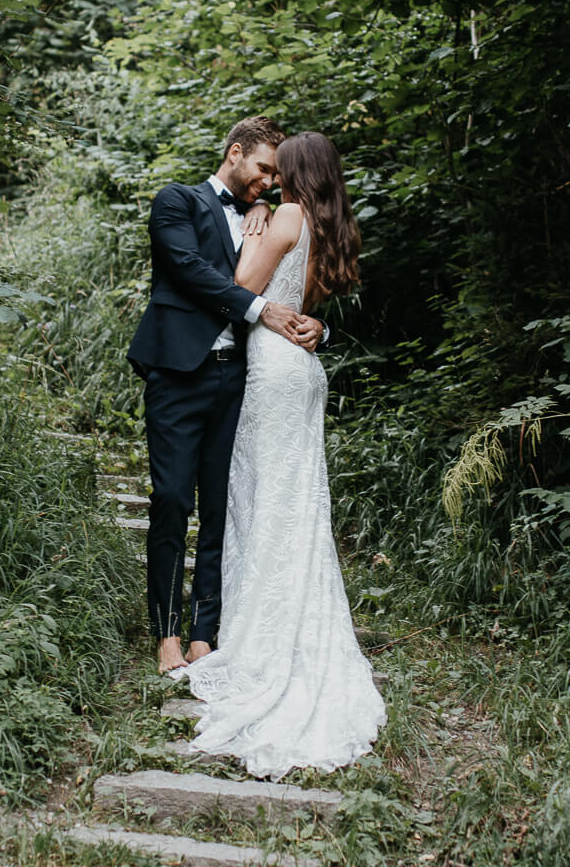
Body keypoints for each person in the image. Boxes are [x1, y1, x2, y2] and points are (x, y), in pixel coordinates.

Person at [171, 131, 385, 780]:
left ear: (293, 170)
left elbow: (241, 285)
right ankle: (286, 621)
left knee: (264, 501)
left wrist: (257, 220)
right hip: (304, 369)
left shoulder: (287, 215)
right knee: (296, 505)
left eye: (278, 169)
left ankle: (261, 639)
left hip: (272, 368)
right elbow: (305, 306)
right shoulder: (328, 225)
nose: (268, 179)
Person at [127, 116, 324, 675]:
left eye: (276, 175)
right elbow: (188, 269)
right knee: (171, 499)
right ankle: (165, 631)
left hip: (240, 377)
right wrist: (260, 309)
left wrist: (319, 327)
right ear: (235, 153)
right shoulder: (177, 201)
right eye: (263, 169)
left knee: (221, 505)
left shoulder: (270, 217)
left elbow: (299, 286)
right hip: (178, 373)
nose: (270, 181)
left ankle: (202, 633)